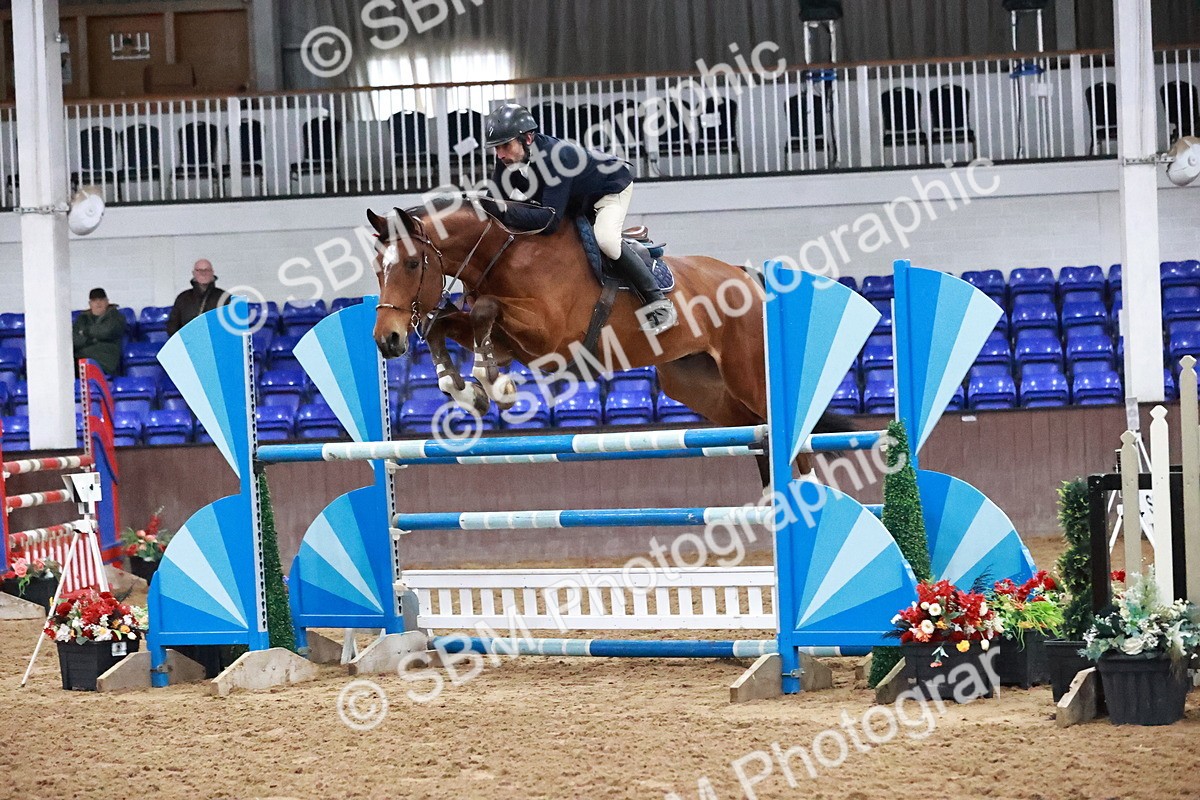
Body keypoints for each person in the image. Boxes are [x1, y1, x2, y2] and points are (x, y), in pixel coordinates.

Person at [481, 103, 677, 335]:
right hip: (576, 199)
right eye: (496, 148)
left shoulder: (557, 157)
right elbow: (491, 206)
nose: (500, 154)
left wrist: (502, 209)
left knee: (605, 240)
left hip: (609, 189)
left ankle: (659, 303)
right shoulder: (507, 159)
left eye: (505, 146)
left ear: (528, 138)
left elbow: (549, 220)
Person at [167, 259, 231, 336]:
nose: (203, 273)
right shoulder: (183, 298)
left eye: (207, 270)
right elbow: (172, 326)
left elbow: (231, 326)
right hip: (189, 345)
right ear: (194, 273)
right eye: (199, 270)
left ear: (212, 273)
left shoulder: (224, 298)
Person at [72, 288, 126, 375]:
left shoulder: (115, 317)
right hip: (80, 361)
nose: (98, 303)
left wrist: (85, 332)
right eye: (94, 300)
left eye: (101, 300)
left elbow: (107, 331)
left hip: (105, 362)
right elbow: (73, 340)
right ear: (90, 303)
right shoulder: (82, 318)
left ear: (107, 302)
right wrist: (92, 339)